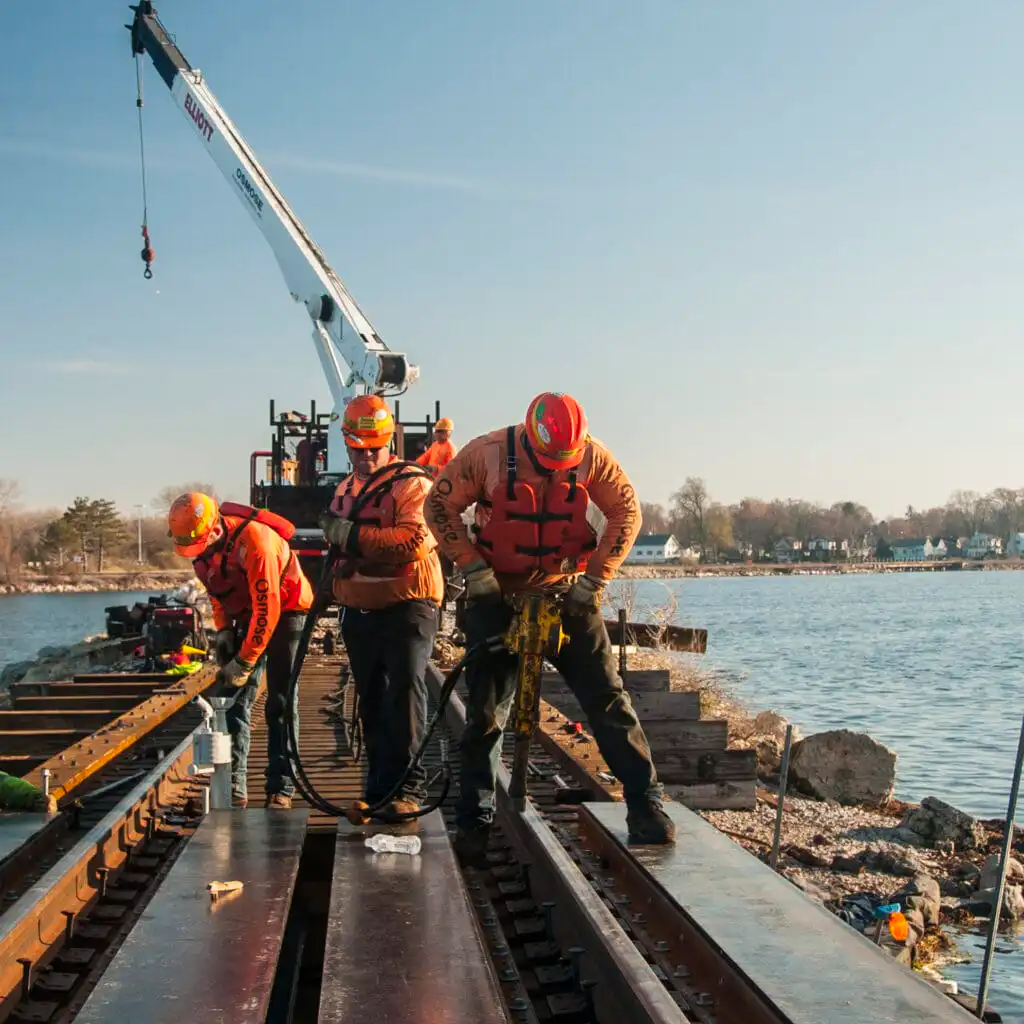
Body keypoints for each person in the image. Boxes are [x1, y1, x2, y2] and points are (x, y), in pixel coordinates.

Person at [424, 391, 675, 865]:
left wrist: (596, 580)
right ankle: (475, 822)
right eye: (549, 461)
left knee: (607, 697)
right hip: (496, 593)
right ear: (531, 439)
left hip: (566, 593)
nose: (559, 468)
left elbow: (627, 513)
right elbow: (437, 508)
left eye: (567, 461)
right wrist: (472, 568)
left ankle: (646, 805)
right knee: (484, 713)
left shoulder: (594, 458)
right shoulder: (486, 454)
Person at [318, 395, 445, 821]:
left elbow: (412, 541)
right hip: (360, 610)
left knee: (405, 690)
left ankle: (408, 788)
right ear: (347, 445)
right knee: (371, 699)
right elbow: (338, 546)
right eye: (358, 447)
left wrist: (351, 538)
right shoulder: (345, 489)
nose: (366, 454)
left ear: (388, 441)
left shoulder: (413, 485)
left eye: (374, 446)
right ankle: (377, 790)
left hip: (409, 604)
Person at [167, 491, 313, 809]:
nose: (197, 554)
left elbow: (268, 609)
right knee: (233, 701)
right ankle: (234, 786)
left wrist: (245, 660)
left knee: (281, 701)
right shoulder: (203, 551)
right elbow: (218, 592)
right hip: (247, 613)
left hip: (287, 611)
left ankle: (281, 789)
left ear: (216, 531)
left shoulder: (256, 543)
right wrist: (222, 630)